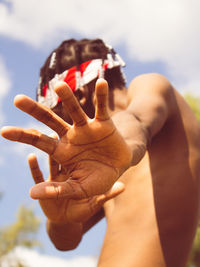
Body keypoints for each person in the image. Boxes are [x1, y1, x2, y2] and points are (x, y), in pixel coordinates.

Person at [1, 38, 200, 267]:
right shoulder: (96, 166)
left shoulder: (151, 86)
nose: (59, 125)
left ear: (81, 94)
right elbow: (65, 242)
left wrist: (122, 142)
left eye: (57, 111)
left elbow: (139, 121)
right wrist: (60, 220)